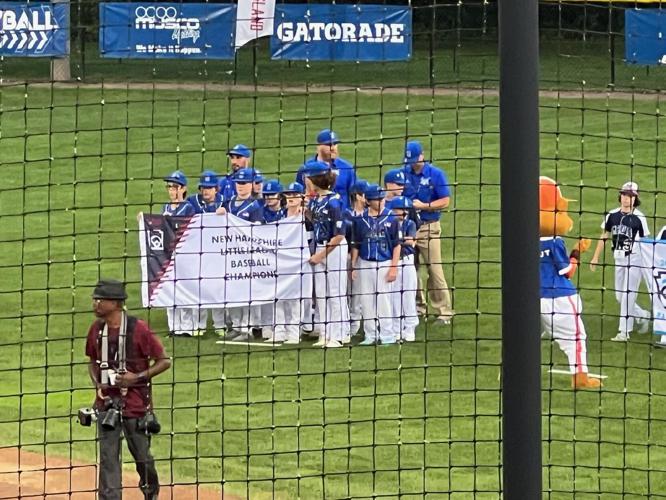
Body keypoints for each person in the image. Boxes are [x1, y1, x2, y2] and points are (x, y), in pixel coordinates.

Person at [85, 279, 171, 500]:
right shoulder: (96, 329)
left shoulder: (138, 329)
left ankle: (151, 494)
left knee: (143, 458)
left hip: (136, 405)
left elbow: (164, 361)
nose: (95, 303)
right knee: (108, 460)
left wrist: (137, 377)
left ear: (115, 303)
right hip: (107, 406)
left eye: (99, 300)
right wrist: (98, 385)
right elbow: (92, 361)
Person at [590, 181, 651, 342]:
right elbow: (604, 236)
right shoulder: (612, 215)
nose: (626, 199)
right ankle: (643, 316)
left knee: (628, 295)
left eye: (630, 196)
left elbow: (646, 243)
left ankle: (624, 332)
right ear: (620, 196)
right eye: (624, 195)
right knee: (619, 296)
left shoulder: (640, 218)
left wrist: (647, 265)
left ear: (635, 199)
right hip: (618, 259)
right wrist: (595, 257)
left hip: (635, 259)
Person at [401, 140, 454, 325]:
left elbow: (446, 200)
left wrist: (424, 206)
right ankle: (417, 308)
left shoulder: (435, 174)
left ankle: (444, 312)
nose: (412, 163)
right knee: (410, 268)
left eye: (415, 159)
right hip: (407, 227)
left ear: (422, 155)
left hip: (429, 226)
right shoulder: (403, 173)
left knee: (434, 269)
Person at [303, 160, 350, 347]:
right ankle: (325, 332)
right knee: (321, 293)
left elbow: (339, 235)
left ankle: (338, 335)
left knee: (336, 292)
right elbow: (313, 220)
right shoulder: (315, 201)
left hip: (334, 248)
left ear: (314, 179)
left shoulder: (335, 202)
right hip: (321, 248)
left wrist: (320, 256)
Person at [350, 184, 401, 345]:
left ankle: (387, 334)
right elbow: (356, 244)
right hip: (365, 262)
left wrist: (393, 267)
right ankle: (370, 334)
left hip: (384, 262)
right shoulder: (360, 219)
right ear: (368, 201)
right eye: (377, 199)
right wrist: (353, 265)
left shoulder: (391, 218)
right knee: (366, 300)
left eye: (382, 199)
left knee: (384, 299)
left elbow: (397, 244)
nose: (382, 202)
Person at [223, 168, 265, 340]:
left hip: (247, 256)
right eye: (238, 183)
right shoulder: (228, 203)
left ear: (251, 185)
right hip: (229, 254)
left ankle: (248, 328)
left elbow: (256, 231)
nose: (241, 187)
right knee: (232, 290)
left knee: (248, 291)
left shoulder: (255, 206)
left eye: (244, 183)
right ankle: (236, 325)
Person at [187, 171, 226, 335]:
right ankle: (199, 325)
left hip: (218, 251)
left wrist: (225, 213)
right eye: (203, 188)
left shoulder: (225, 202)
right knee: (199, 288)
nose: (206, 191)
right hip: (198, 251)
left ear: (216, 189)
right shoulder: (191, 202)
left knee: (218, 288)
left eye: (209, 188)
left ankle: (220, 325)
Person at [161, 171, 198, 337]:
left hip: (185, 253)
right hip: (168, 254)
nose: (171, 190)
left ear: (183, 189)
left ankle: (187, 327)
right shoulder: (166, 207)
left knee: (184, 288)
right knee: (169, 289)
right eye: (169, 187)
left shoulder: (188, 208)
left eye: (175, 187)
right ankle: (174, 326)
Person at [272, 182, 307, 344]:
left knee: (295, 299)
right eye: (289, 195)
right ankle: (279, 331)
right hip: (280, 261)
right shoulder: (280, 215)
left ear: (302, 197)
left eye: (295, 195)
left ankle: (294, 333)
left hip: (299, 263)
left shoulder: (305, 216)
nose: (291, 198)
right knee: (278, 297)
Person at [296, 129, 356, 209]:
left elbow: (355, 197)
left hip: (341, 218)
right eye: (328, 145)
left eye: (335, 144)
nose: (333, 148)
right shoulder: (305, 169)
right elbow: (298, 195)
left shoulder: (347, 169)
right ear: (318, 146)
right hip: (315, 217)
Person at [388, 196, 419, 342]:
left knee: (408, 294)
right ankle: (396, 328)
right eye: (400, 209)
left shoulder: (410, 223)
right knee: (394, 296)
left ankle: (410, 328)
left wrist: (398, 240)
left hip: (407, 261)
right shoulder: (389, 223)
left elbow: (411, 241)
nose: (404, 212)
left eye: (405, 209)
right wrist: (401, 240)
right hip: (393, 262)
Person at [345, 180, 369, 336]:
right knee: (347, 292)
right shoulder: (346, 215)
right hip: (347, 258)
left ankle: (359, 323)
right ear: (358, 196)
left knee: (362, 293)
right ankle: (350, 324)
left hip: (366, 258)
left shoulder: (371, 215)